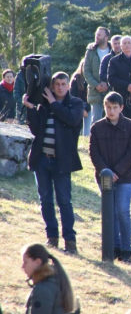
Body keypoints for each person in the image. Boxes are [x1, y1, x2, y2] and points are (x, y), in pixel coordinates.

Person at [24, 72, 84, 253]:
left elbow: (71, 119)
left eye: (63, 84)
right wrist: (30, 108)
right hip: (42, 159)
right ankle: (52, 237)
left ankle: (70, 242)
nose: (59, 87)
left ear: (68, 86)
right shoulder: (45, 105)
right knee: (45, 200)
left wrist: (53, 103)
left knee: (64, 201)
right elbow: (35, 130)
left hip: (62, 161)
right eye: (56, 84)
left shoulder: (76, 103)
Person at [89, 91, 131, 263]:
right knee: (109, 212)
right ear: (104, 107)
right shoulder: (96, 127)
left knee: (122, 211)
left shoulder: (130, 125)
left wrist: (117, 171)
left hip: (125, 177)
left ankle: (126, 250)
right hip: (104, 176)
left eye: (114, 108)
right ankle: (114, 247)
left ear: (121, 108)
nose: (111, 111)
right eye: (108, 107)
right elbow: (93, 152)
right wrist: (106, 171)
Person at [22, 243, 76, 314]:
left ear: (37, 262)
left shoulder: (43, 289)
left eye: (25, 262)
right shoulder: (54, 281)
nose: (22, 266)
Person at [108, 36, 131, 132]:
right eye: (124, 43)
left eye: (129, 43)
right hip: (122, 97)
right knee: (123, 124)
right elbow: (111, 79)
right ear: (121, 46)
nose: (127, 45)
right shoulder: (114, 61)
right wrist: (127, 86)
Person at [83, 26, 111, 124]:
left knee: (112, 118)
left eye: (99, 35)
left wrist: (108, 84)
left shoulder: (113, 51)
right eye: (96, 34)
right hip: (95, 91)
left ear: (106, 37)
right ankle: (94, 139)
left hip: (110, 90)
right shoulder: (90, 51)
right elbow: (86, 71)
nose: (97, 37)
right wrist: (96, 85)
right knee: (96, 120)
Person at [70, 61, 91, 136]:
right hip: (77, 104)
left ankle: (86, 135)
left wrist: (86, 109)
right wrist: (81, 108)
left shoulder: (90, 79)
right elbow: (72, 95)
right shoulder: (76, 78)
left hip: (88, 105)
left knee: (89, 113)